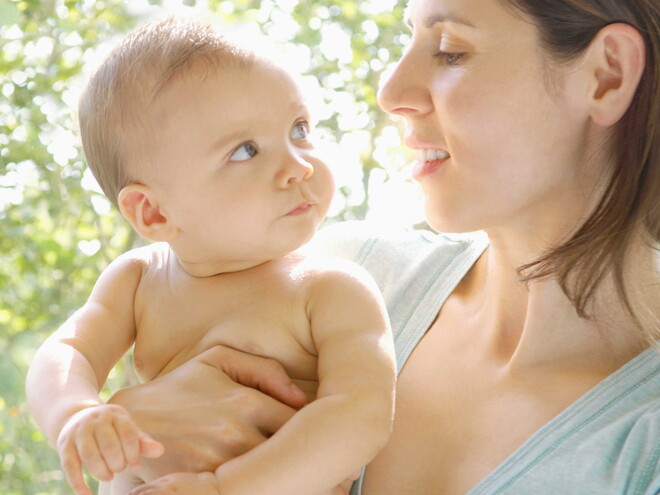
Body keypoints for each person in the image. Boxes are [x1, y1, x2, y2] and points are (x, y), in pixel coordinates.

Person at [83, 0, 659, 494]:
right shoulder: (332, 269)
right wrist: (131, 426)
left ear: (606, 75)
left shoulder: (643, 439)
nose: (391, 91)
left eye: (451, 50)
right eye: (408, 39)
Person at [25, 18, 398, 495]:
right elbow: (66, 351)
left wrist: (226, 486)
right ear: (154, 211)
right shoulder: (138, 280)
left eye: (299, 129)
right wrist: (75, 414)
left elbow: (361, 415)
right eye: (246, 151)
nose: (299, 164)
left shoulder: (330, 289)